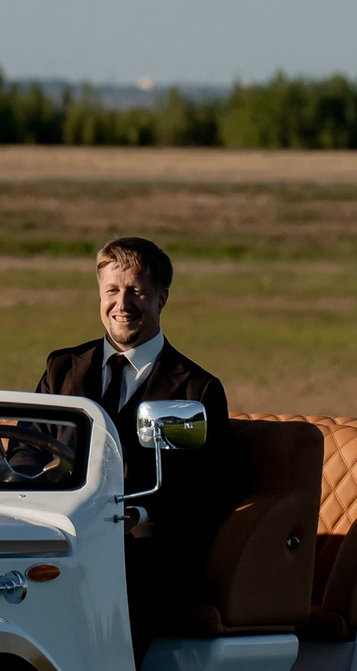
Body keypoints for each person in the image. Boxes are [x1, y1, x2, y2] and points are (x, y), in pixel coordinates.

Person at [36, 237, 249, 644]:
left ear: (162, 298)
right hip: (61, 529)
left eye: (136, 291)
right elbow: (27, 447)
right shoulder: (62, 367)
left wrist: (142, 515)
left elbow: (213, 487)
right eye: (112, 291)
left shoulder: (195, 388)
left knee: (116, 583)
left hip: (144, 548)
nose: (123, 304)